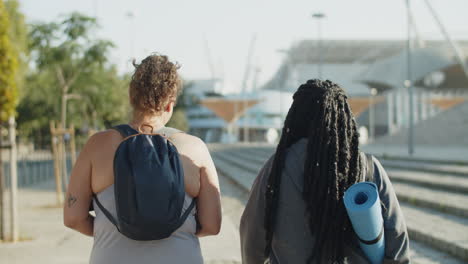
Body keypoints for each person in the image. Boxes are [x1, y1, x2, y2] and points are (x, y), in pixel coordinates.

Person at [63, 54, 222, 264]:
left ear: (131, 97)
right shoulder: (195, 149)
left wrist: (118, 231)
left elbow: (73, 217)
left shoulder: (97, 145)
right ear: (170, 105)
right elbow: (212, 225)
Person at [240, 80, 410, 263]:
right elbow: (397, 241)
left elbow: (252, 236)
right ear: (344, 118)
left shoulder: (276, 168)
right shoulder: (366, 167)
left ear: (297, 117)